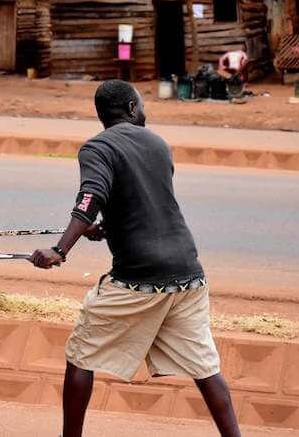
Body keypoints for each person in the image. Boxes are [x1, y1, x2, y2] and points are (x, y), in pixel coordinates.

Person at [30, 80, 241, 437]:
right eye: (141, 105)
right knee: (206, 367)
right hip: (188, 273)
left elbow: (90, 198)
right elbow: (144, 202)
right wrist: (105, 227)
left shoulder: (96, 148)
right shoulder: (158, 144)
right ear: (131, 108)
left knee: (80, 356)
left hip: (139, 278)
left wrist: (60, 249)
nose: (144, 111)